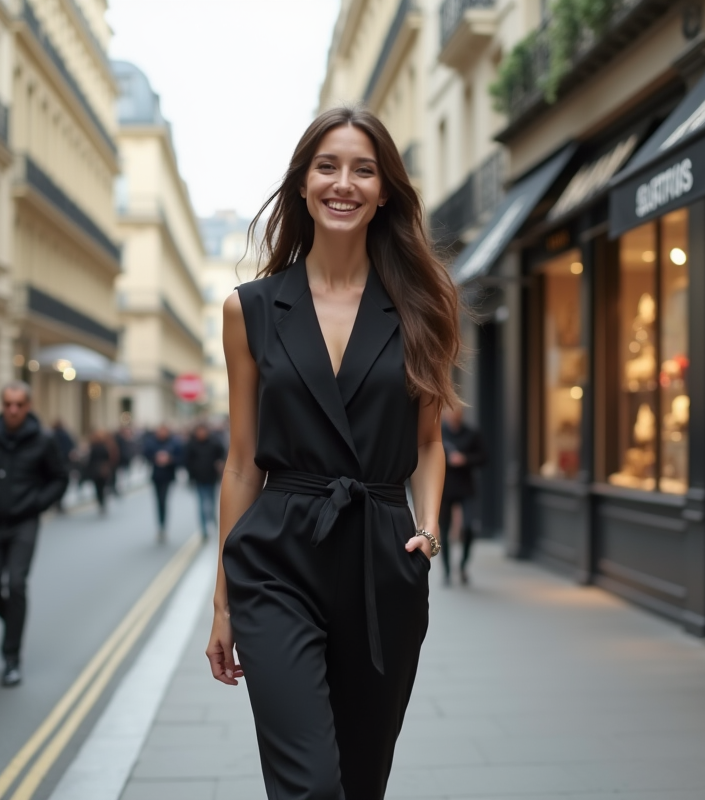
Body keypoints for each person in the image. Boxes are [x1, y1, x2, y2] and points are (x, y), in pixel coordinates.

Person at [205, 107, 461, 798]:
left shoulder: (425, 305)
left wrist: (428, 532)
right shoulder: (249, 310)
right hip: (278, 558)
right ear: (302, 183)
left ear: (384, 193)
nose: (343, 183)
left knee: (360, 781)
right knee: (312, 785)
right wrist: (223, 604)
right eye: (327, 166)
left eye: (363, 170)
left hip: (383, 556)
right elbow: (241, 463)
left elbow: (428, 443)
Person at [0, 382, 68, 687]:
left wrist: (37, 503)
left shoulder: (43, 440)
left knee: (17, 584)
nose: (13, 410)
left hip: (24, 523)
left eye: (19, 404)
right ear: (1, 405)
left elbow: (59, 478)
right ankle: (14, 624)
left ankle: (11, 658)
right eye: (8, 404)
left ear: (28, 406)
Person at [438, 406, 488, 585]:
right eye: (451, 415)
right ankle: (446, 571)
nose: (454, 418)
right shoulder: (439, 432)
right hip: (445, 488)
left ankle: (463, 565)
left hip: (466, 488)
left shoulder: (472, 433)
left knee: (468, 527)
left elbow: (484, 457)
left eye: (457, 415)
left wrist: (465, 459)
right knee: (444, 530)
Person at [184, 422, 226, 540]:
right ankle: (204, 529)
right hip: (198, 478)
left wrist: (220, 463)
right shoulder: (191, 444)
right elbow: (187, 461)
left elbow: (222, 454)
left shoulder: (214, 443)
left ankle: (213, 521)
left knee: (211, 502)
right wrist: (191, 476)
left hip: (211, 477)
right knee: (202, 504)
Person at [142, 424, 182, 543]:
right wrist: (155, 457)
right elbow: (145, 454)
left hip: (168, 476)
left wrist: (169, 459)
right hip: (156, 476)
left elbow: (180, 458)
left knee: (163, 501)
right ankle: (160, 526)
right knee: (158, 501)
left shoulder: (174, 442)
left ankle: (163, 526)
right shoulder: (151, 442)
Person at [85, 430, 117, 515]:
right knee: (102, 487)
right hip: (103, 470)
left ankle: (101, 502)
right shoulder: (105, 447)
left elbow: (90, 460)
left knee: (98, 488)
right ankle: (103, 502)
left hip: (95, 470)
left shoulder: (93, 447)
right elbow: (108, 457)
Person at [50, 419, 77, 514]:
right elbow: (71, 447)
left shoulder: (51, 435)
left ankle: (56, 501)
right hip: (64, 462)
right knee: (63, 482)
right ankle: (59, 502)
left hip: (53, 463)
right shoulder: (65, 435)